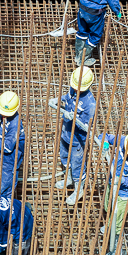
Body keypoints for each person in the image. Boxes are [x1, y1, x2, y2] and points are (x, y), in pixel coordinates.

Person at [48, 66, 97, 206]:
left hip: (78, 140)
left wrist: (75, 118)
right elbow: (67, 98)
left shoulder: (90, 103)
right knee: (64, 157)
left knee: (77, 166)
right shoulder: (73, 88)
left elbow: (87, 127)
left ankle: (78, 189)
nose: (75, 89)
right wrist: (57, 100)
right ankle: (68, 178)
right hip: (66, 132)